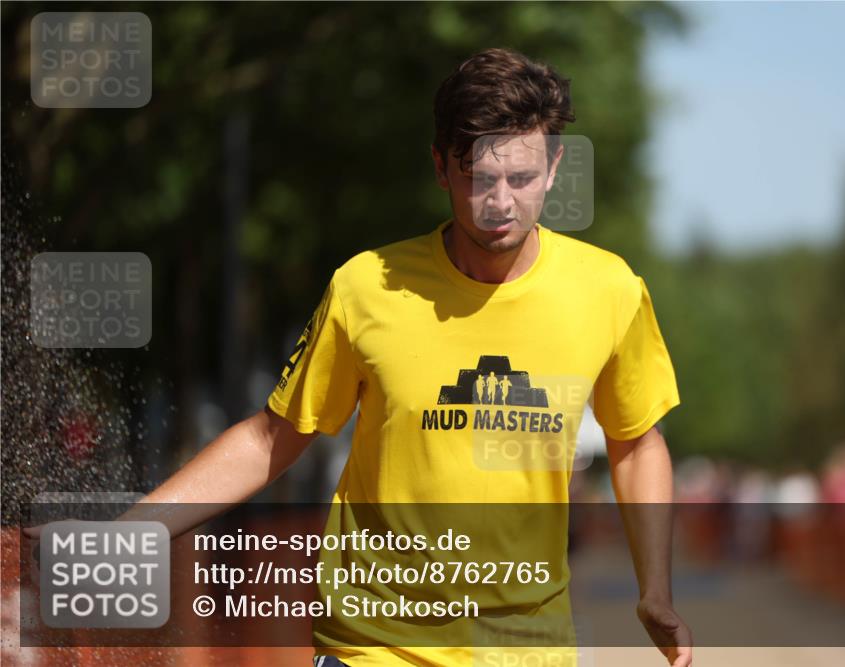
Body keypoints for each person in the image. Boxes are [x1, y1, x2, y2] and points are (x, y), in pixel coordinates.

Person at [55, 47, 691, 667]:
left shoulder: (609, 292)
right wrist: (128, 536)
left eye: (522, 179)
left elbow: (636, 440)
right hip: (371, 647)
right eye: (479, 177)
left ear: (554, 167)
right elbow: (275, 435)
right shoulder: (367, 287)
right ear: (442, 166)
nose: (501, 202)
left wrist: (655, 588)